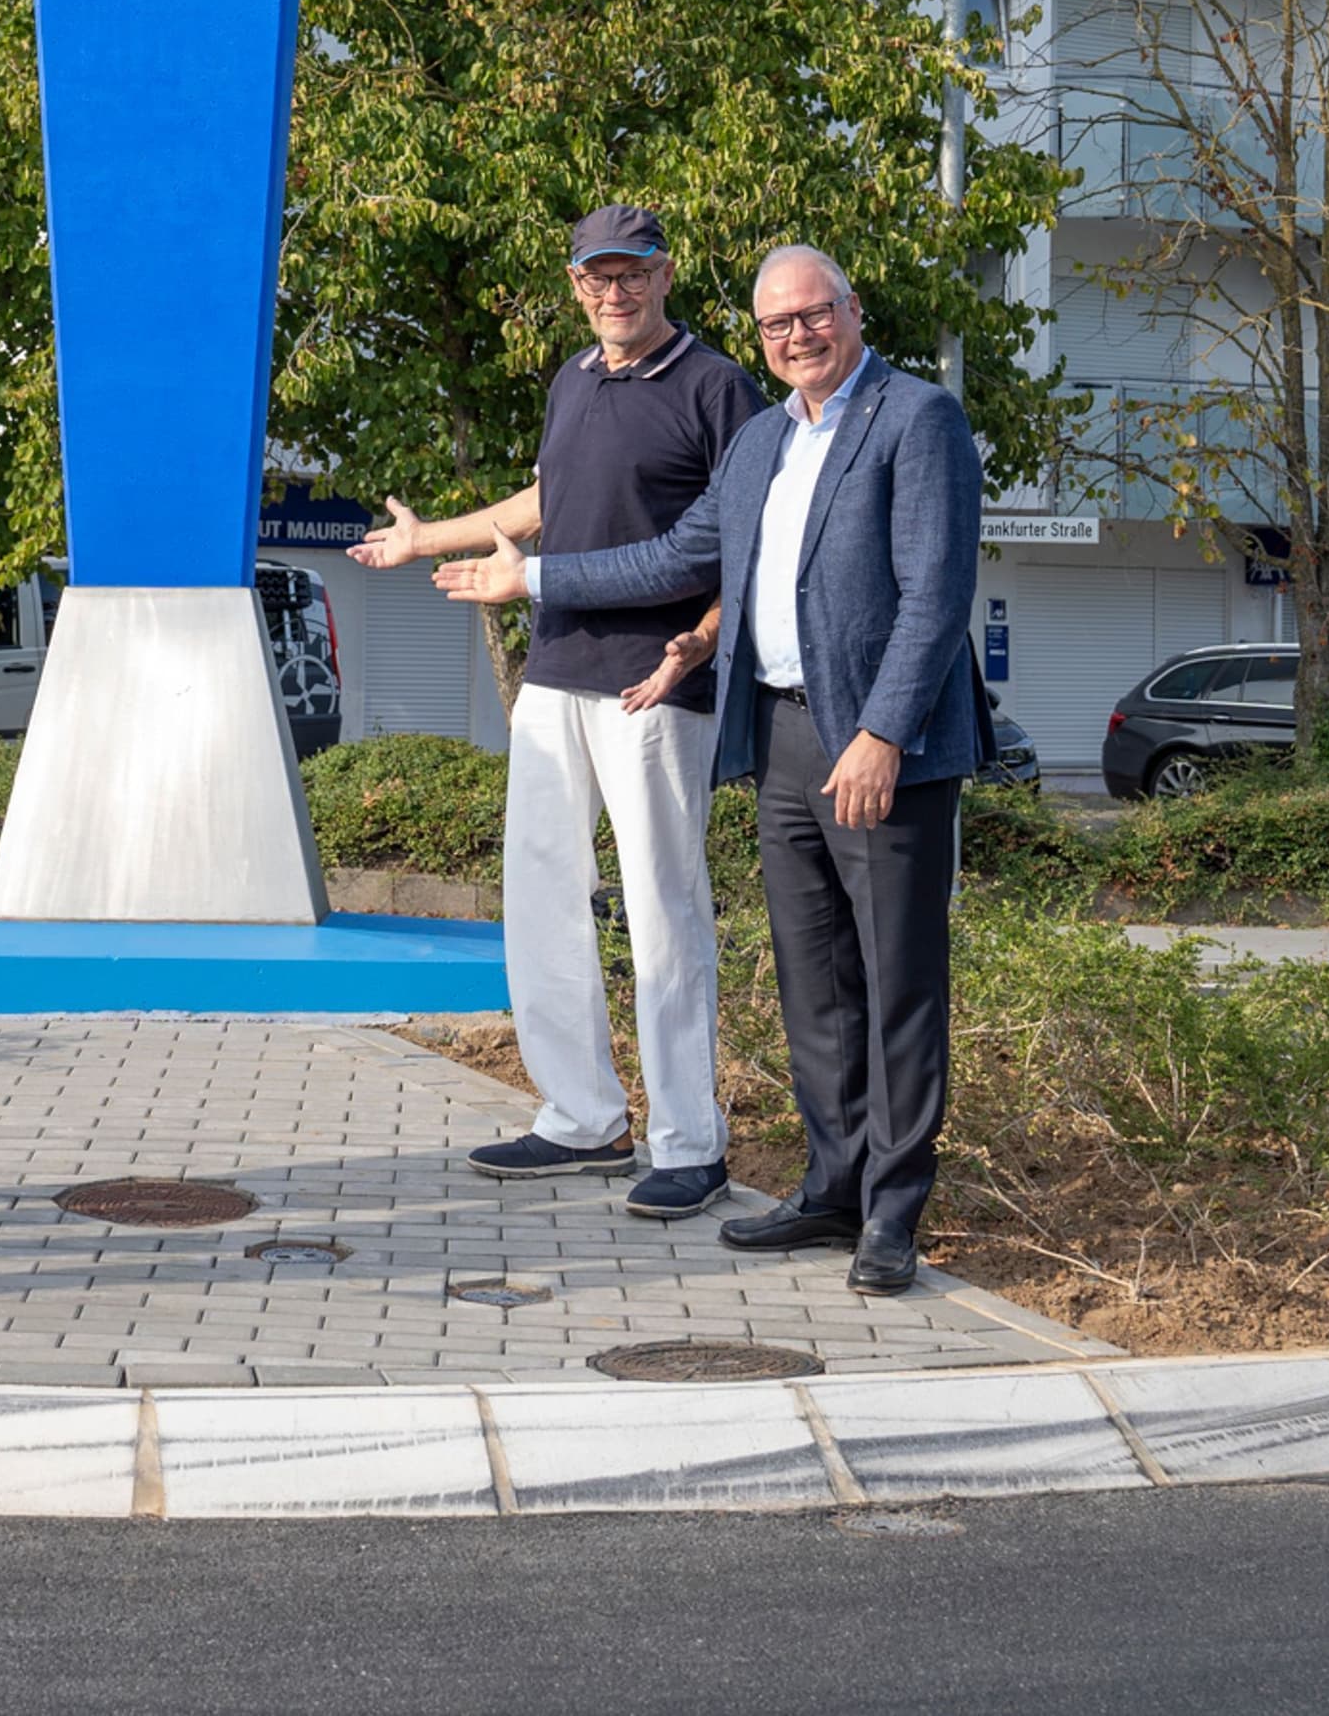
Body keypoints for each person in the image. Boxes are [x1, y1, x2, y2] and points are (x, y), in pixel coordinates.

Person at [437, 245, 982, 1297]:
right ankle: (831, 1186)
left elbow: (935, 593)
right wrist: (534, 575)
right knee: (814, 983)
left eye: (814, 316)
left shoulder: (917, 420)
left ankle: (892, 1214)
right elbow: (678, 554)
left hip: (875, 744)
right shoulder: (766, 439)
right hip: (778, 735)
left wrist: (883, 732)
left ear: (853, 309)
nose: (797, 338)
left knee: (897, 983)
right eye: (777, 325)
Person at [349, 204, 759, 1218]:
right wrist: (428, 540)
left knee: (662, 909)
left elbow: (741, 536)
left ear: (665, 276)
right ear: (576, 286)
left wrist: (704, 636)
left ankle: (689, 1142)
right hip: (557, 671)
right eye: (594, 278)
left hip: (655, 684)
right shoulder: (572, 382)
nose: (612, 293)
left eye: (630, 274)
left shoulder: (719, 389)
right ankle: (582, 1119)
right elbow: (541, 506)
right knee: (539, 897)